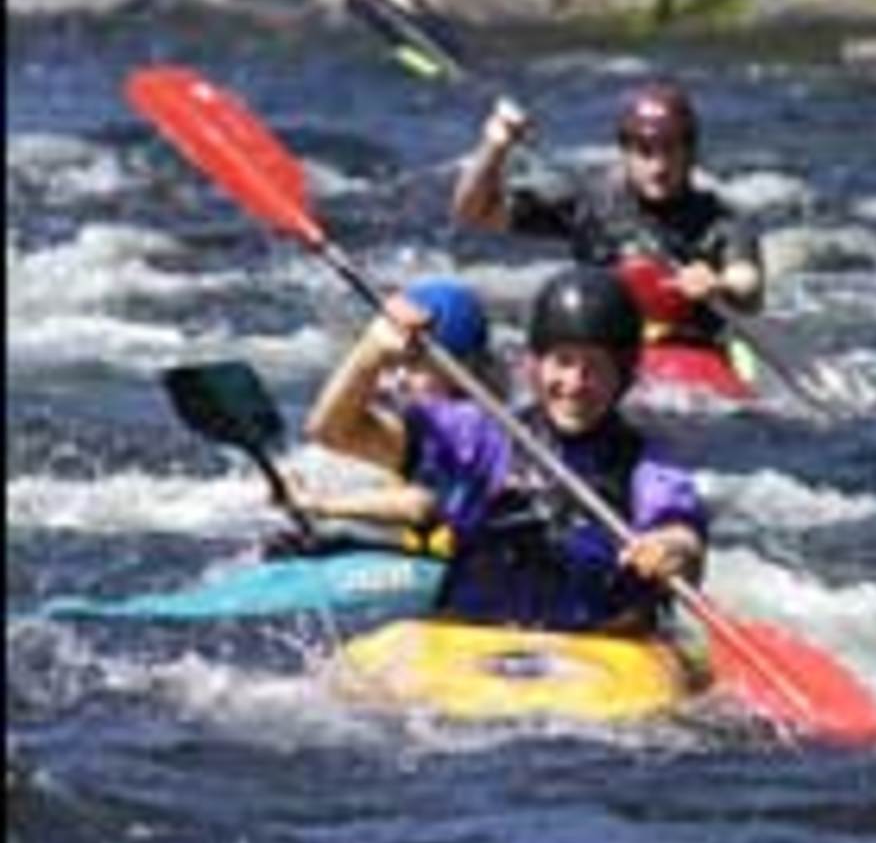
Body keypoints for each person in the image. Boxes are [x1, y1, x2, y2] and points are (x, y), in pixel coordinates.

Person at [303, 264, 708, 634]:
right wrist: (369, 355)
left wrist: (671, 549)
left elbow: (682, 535)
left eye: (595, 367)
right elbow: (333, 432)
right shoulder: (481, 435)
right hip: (469, 645)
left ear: (624, 376)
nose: (575, 382)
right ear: (534, 365)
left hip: (600, 657)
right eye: (562, 361)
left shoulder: (647, 463)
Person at [451, 81, 764, 349]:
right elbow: (474, 213)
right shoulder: (591, 204)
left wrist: (719, 283)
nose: (658, 166)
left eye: (670, 149)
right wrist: (494, 149)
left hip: (687, 347)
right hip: (605, 352)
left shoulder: (719, 218)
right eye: (644, 150)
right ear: (625, 152)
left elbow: (748, 283)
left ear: (690, 152)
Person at [261, 276, 496, 560]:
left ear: (461, 369)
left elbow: (423, 505)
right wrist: (371, 351)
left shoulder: (485, 425)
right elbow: (329, 432)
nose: (394, 382)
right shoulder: (429, 429)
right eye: (392, 367)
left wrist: (319, 505)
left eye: (411, 367)